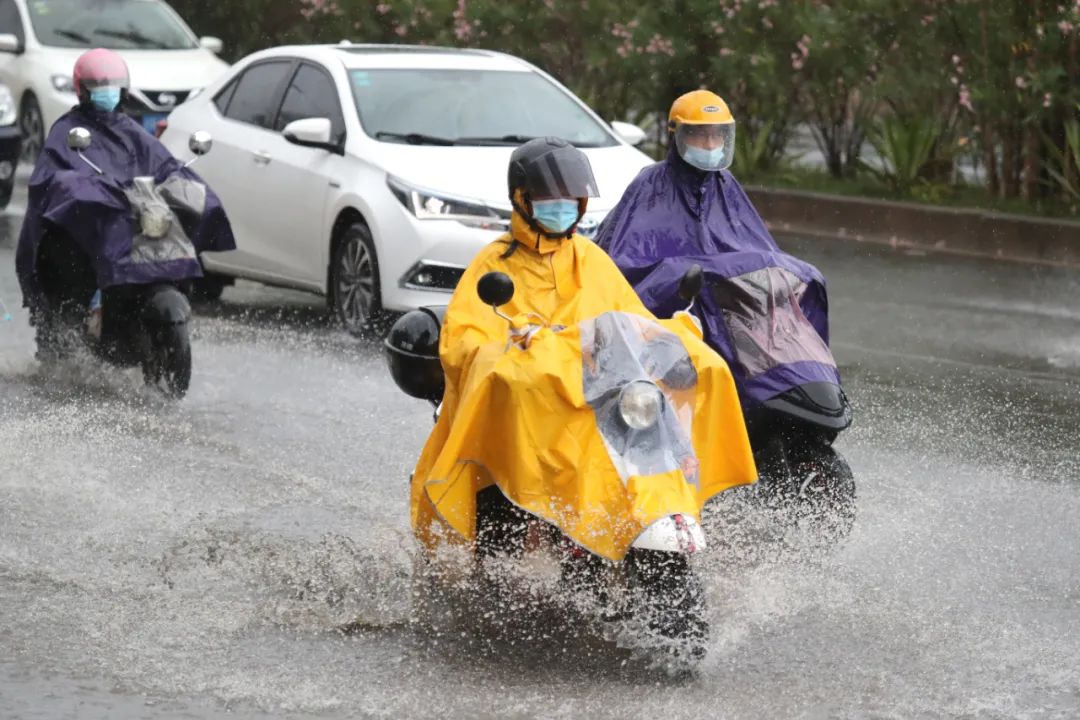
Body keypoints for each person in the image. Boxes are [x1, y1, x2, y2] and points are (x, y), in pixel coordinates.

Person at [407, 137, 756, 561]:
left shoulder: (590, 258)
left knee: (703, 366)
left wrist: (673, 335)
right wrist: (513, 349)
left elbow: (630, 319)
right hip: (536, 414)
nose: (563, 206)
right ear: (522, 198)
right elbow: (465, 342)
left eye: (571, 198)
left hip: (600, 402)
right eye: (549, 198)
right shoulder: (493, 263)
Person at [594, 89, 840, 411]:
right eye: (700, 136)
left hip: (723, 309)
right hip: (676, 317)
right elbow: (626, 269)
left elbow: (758, 251)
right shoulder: (650, 186)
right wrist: (679, 279)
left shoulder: (726, 185)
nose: (710, 146)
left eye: (717, 136)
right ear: (677, 136)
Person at [15, 48, 234, 357]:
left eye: (112, 86)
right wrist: (86, 188)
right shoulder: (68, 131)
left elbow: (163, 164)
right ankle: (89, 317)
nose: (106, 92)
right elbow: (54, 178)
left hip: (136, 223)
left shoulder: (131, 130)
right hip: (88, 229)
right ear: (83, 89)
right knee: (71, 275)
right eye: (98, 86)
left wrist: (184, 184)